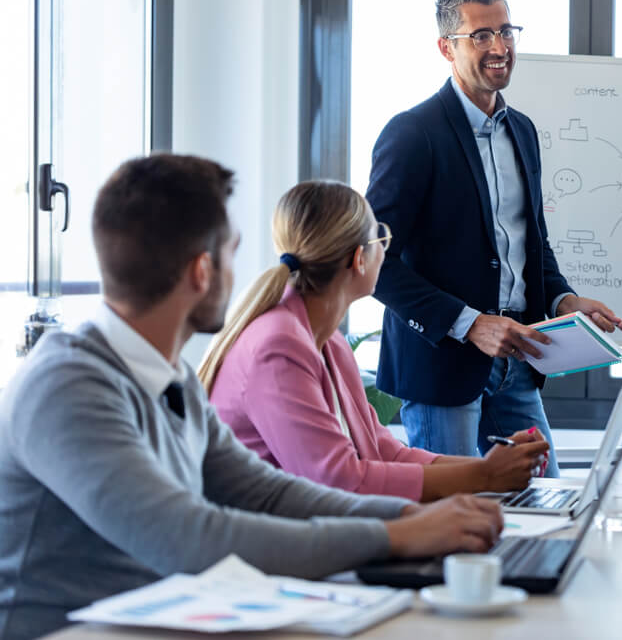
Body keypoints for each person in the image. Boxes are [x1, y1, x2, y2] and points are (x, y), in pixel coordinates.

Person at [0, 155, 503, 640]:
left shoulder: (168, 376)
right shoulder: (67, 386)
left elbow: (265, 493)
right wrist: (395, 537)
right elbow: (189, 538)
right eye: (232, 252)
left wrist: (411, 518)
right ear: (202, 271)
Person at [366, 0, 622, 471]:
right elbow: (373, 261)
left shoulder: (522, 131)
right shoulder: (411, 134)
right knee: (456, 518)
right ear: (446, 48)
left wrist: (565, 300)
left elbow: (531, 246)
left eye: (506, 31)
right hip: (443, 367)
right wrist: (470, 325)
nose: (499, 46)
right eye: (481, 35)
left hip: (518, 366)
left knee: (547, 502)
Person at [198, 180, 549, 502]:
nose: (387, 249)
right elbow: (340, 482)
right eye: (381, 237)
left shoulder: (327, 342)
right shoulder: (278, 346)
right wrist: (485, 476)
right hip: (264, 552)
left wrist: (490, 468)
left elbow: (385, 452)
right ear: (359, 259)